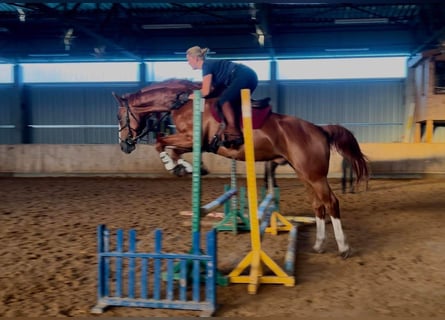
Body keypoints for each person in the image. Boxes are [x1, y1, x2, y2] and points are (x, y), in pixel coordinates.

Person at [186, 46, 258, 148]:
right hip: (247, 75)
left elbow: (205, 91)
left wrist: (190, 97)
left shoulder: (206, 65)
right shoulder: (209, 66)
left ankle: (234, 132)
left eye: (188, 59)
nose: (188, 63)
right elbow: (211, 90)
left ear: (195, 58)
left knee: (224, 100)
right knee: (228, 102)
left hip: (243, 75)